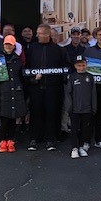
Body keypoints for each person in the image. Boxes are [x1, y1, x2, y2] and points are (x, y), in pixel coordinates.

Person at [25, 24, 68, 152]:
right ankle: (34, 138)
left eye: (40, 33)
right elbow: (27, 67)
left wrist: (58, 79)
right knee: (35, 112)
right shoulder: (32, 48)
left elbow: (65, 68)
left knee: (52, 113)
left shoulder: (59, 50)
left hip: (53, 88)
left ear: (48, 34)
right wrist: (32, 79)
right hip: (36, 87)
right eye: (37, 33)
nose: (37, 35)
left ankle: (50, 139)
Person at [0, 35, 27, 153]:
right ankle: (2, 140)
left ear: (14, 46)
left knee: (14, 116)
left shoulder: (18, 59)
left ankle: (10, 140)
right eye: (6, 44)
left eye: (10, 44)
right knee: (4, 116)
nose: (8, 46)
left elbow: (22, 75)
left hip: (16, 89)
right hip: (3, 90)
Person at [64, 55, 97, 159]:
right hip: (75, 109)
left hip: (87, 109)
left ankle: (82, 146)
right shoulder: (72, 77)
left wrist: (94, 107)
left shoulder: (90, 77)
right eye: (79, 65)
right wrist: (69, 107)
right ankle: (74, 148)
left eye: (83, 65)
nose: (81, 67)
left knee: (84, 129)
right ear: (75, 66)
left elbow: (93, 93)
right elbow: (68, 93)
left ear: (86, 65)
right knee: (74, 129)